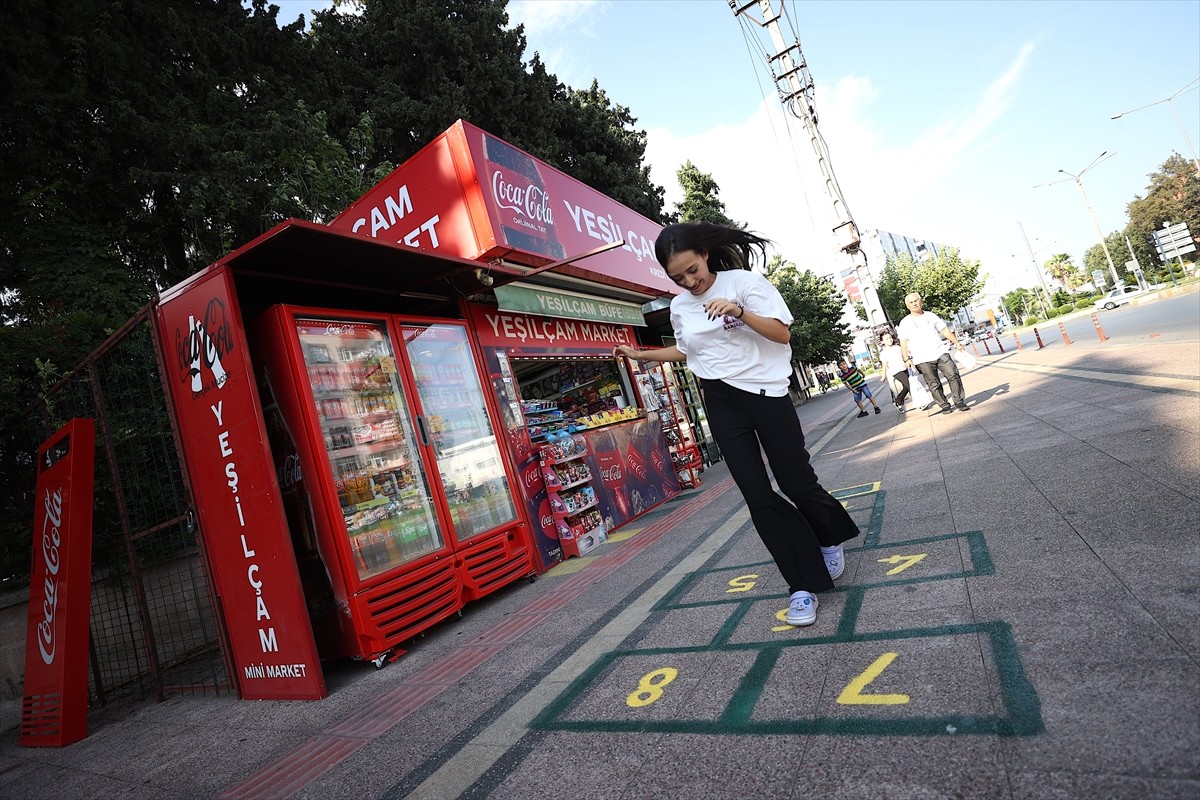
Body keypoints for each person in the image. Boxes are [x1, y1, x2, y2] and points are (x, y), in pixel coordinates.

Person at [613, 222, 859, 627]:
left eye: (693, 270)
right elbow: (689, 351)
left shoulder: (743, 283)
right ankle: (801, 584)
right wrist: (643, 356)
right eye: (677, 277)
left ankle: (829, 536)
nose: (689, 282)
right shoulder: (680, 307)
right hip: (721, 401)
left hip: (766, 394)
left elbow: (781, 334)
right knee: (757, 496)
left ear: (705, 254)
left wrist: (739, 312)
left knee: (796, 483)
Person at [896, 292, 969, 413]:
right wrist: (906, 359)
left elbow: (944, 330)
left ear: (921, 301)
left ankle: (959, 401)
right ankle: (944, 405)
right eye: (911, 302)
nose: (914, 304)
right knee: (933, 383)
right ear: (907, 306)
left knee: (953, 374)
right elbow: (903, 342)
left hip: (940, 351)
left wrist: (957, 342)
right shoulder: (905, 322)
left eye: (916, 301)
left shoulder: (930, 316)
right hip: (922, 358)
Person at [877, 331, 911, 412]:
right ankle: (920, 403)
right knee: (909, 385)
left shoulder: (897, 347)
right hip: (895, 371)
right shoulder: (884, 352)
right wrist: (883, 375)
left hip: (904, 368)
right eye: (887, 339)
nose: (889, 340)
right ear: (882, 341)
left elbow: (904, 356)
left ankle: (898, 402)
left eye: (890, 338)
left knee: (906, 387)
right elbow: (884, 364)